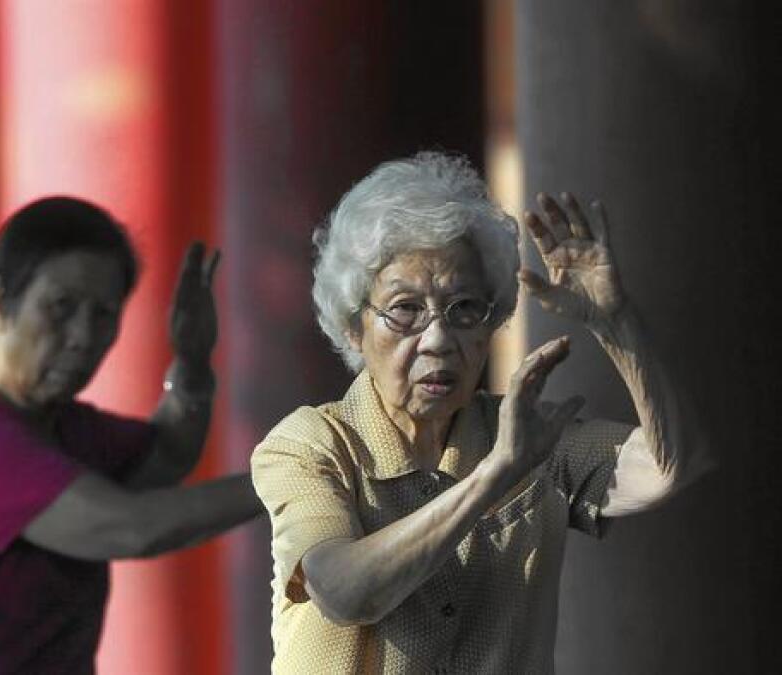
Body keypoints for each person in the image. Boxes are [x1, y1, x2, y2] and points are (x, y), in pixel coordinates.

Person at [250, 152, 712, 673]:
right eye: (406, 310)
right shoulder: (311, 443)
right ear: (355, 326)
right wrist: (494, 477)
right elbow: (343, 595)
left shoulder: (531, 438)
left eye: (465, 308)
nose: (439, 339)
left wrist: (616, 324)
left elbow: (673, 466)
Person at [0, 196, 263, 674]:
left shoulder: (59, 424)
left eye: (103, 315)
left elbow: (167, 455)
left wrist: (192, 363)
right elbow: (131, 528)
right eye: (60, 308)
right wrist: (294, 477)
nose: (82, 336)